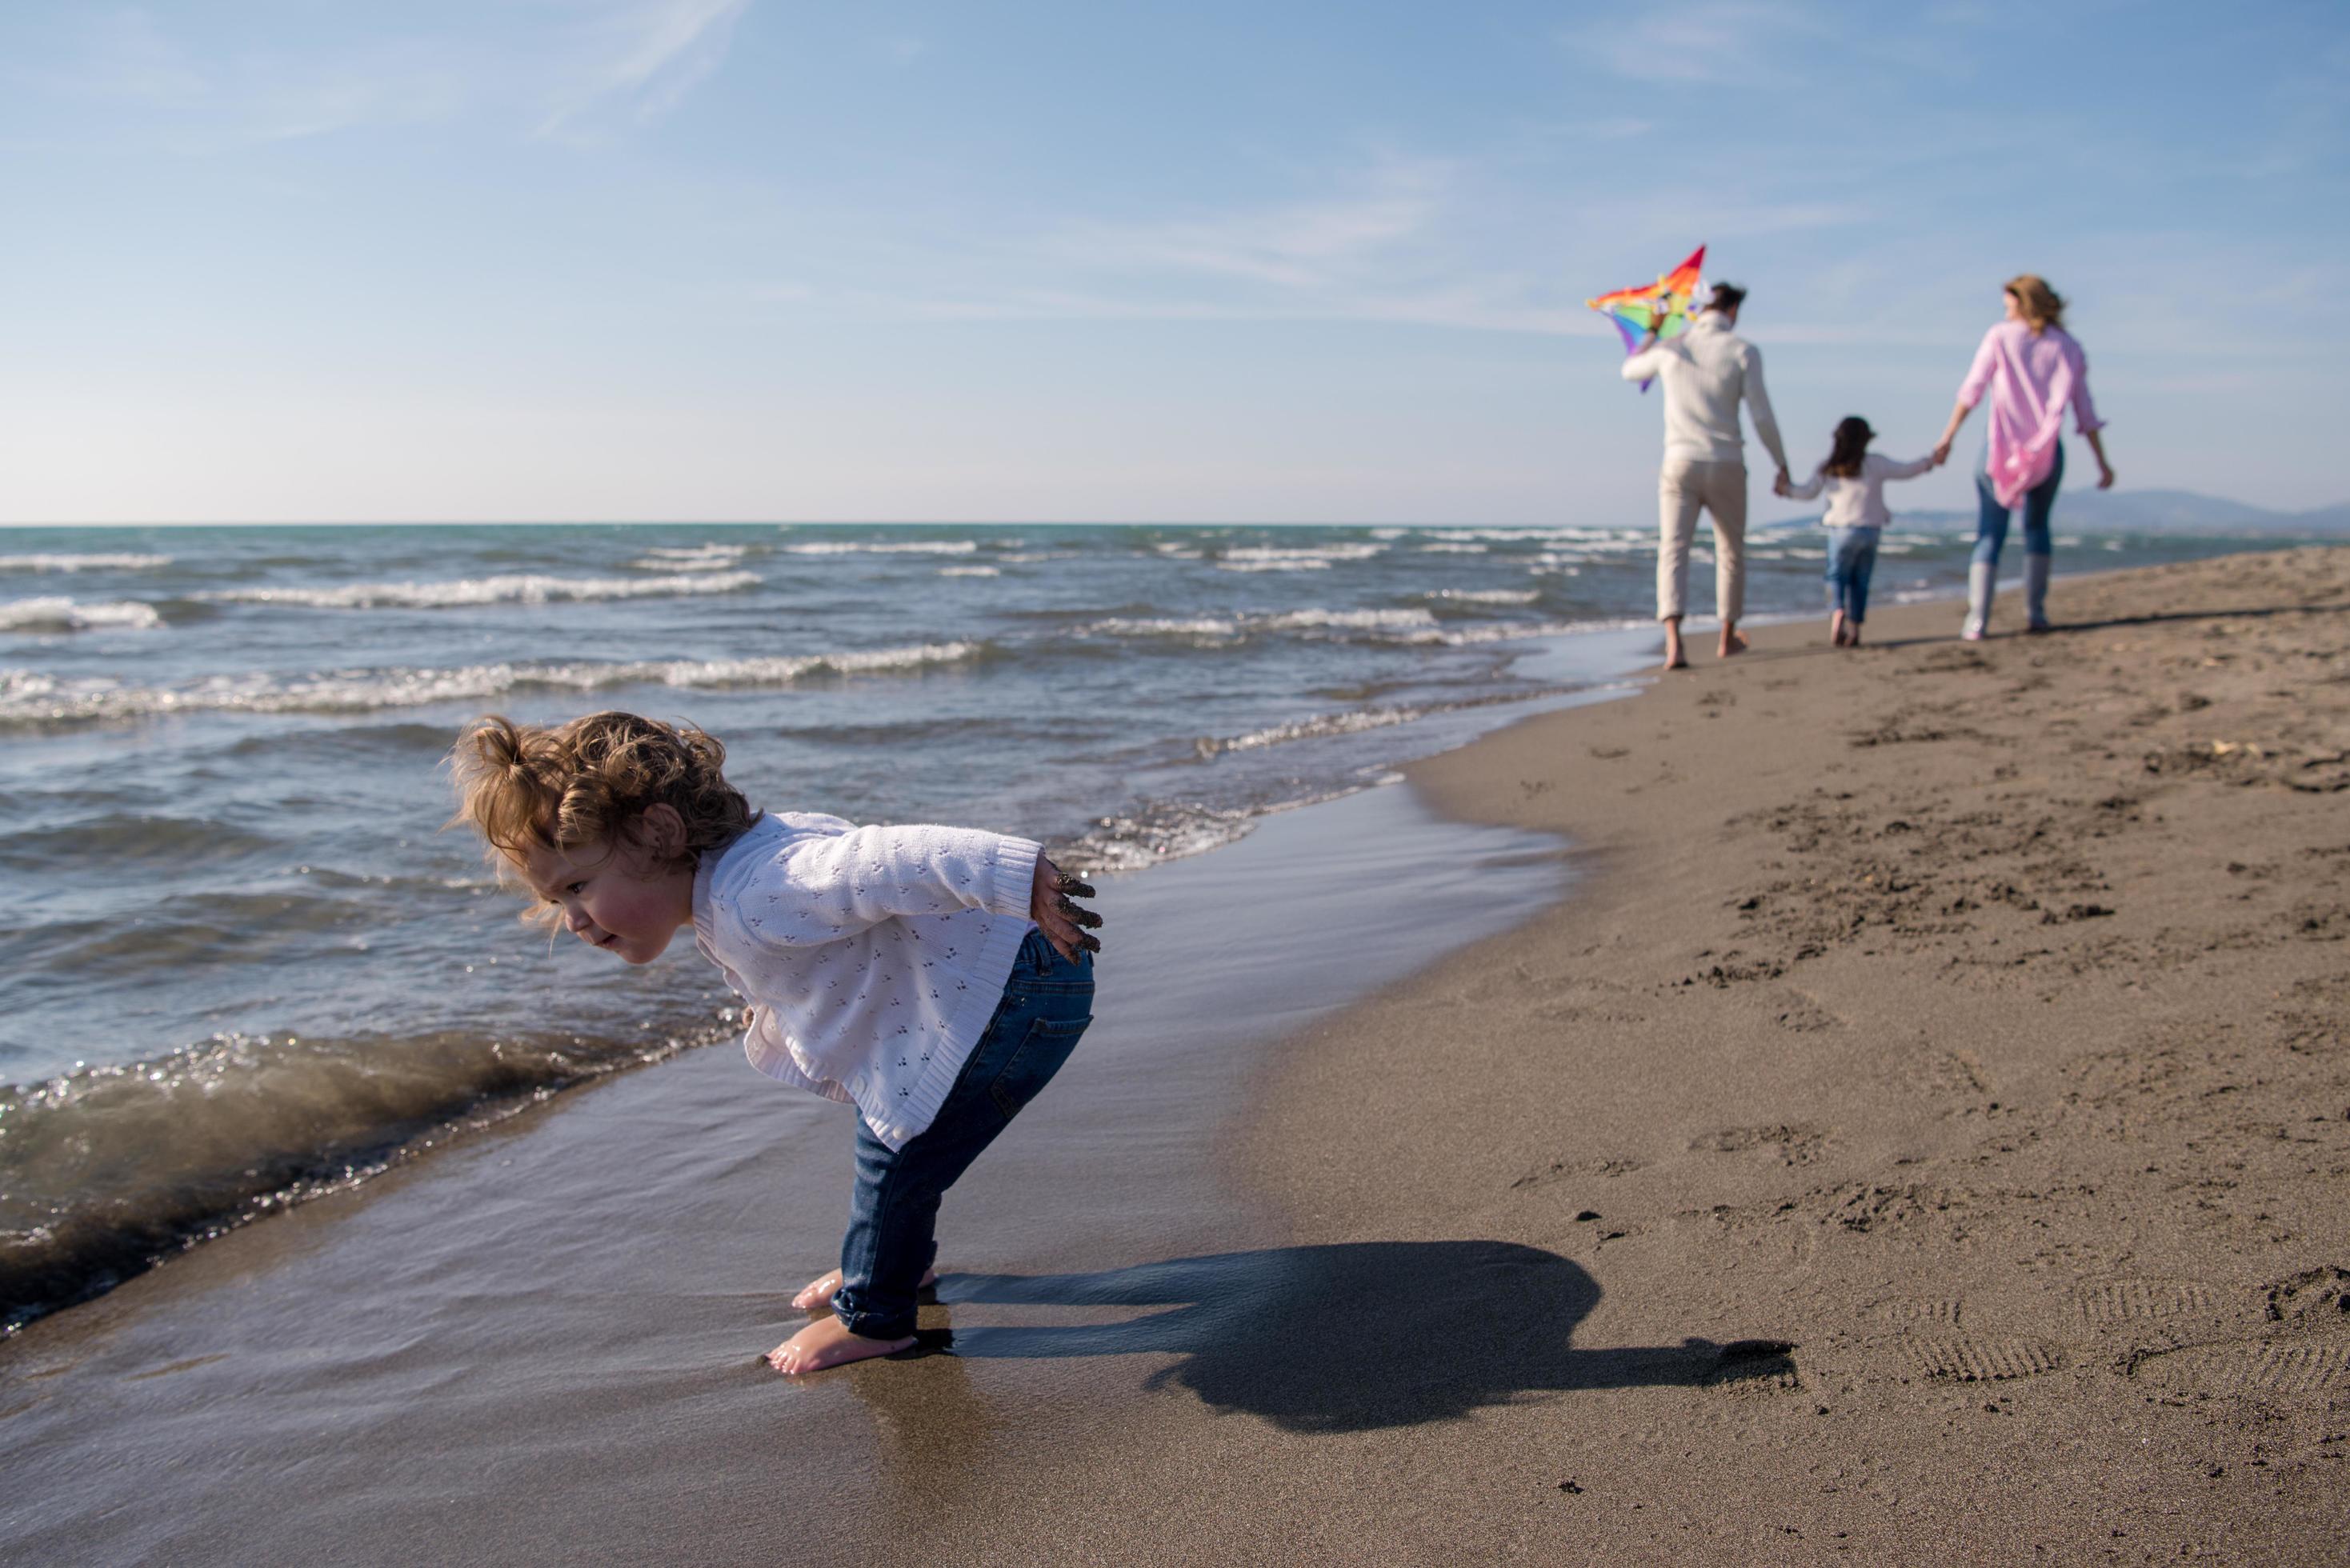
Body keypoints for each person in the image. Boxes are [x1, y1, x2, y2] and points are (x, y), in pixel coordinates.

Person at [447, 710, 1103, 1376]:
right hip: (999, 983)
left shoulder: (756, 891)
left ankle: (876, 1316)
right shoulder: (745, 864)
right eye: (559, 901)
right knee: (891, 1143)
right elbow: (818, 945)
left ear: (660, 833)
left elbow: (882, 859)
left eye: (578, 887)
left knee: (897, 1155)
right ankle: (884, 1261)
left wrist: (1018, 878)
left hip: (1011, 996)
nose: (575, 921)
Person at [1929, 274, 2114, 639]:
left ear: (2022, 301)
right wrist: (2101, 462)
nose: (2005, 309)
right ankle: (2036, 613)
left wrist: (1947, 437)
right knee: (2037, 529)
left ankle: (1977, 620)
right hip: (2046, 451)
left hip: (1999, 447)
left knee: (1989, 533)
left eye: (2008, 302)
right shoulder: (2068, 347)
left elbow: (1972, 390)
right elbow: (2085, 411)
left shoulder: (1999, 336)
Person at [1620, 281, 1792, 670]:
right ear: (1732, 311)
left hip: (1679, 460)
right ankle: (1726, 636)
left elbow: (1630, 369)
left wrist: (1654, 328)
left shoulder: (1672, 347)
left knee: (1673, 549)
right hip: (1727, 460)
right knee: (1730, 551)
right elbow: (1762, 416)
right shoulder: (1743, 350)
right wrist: (1781, 462)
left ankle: (1673, 643)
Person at [1777, 416, 1940, 648]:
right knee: (1860, 582)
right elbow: (1907, 470)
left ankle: (1837, 612)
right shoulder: (1875, 463)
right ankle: (1854, 629)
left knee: (1836, 576)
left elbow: (1807, 492)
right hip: (1870, 531)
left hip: (1841, 531)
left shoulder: (1829, 467)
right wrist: (1930, 461)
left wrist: (1786, 489)